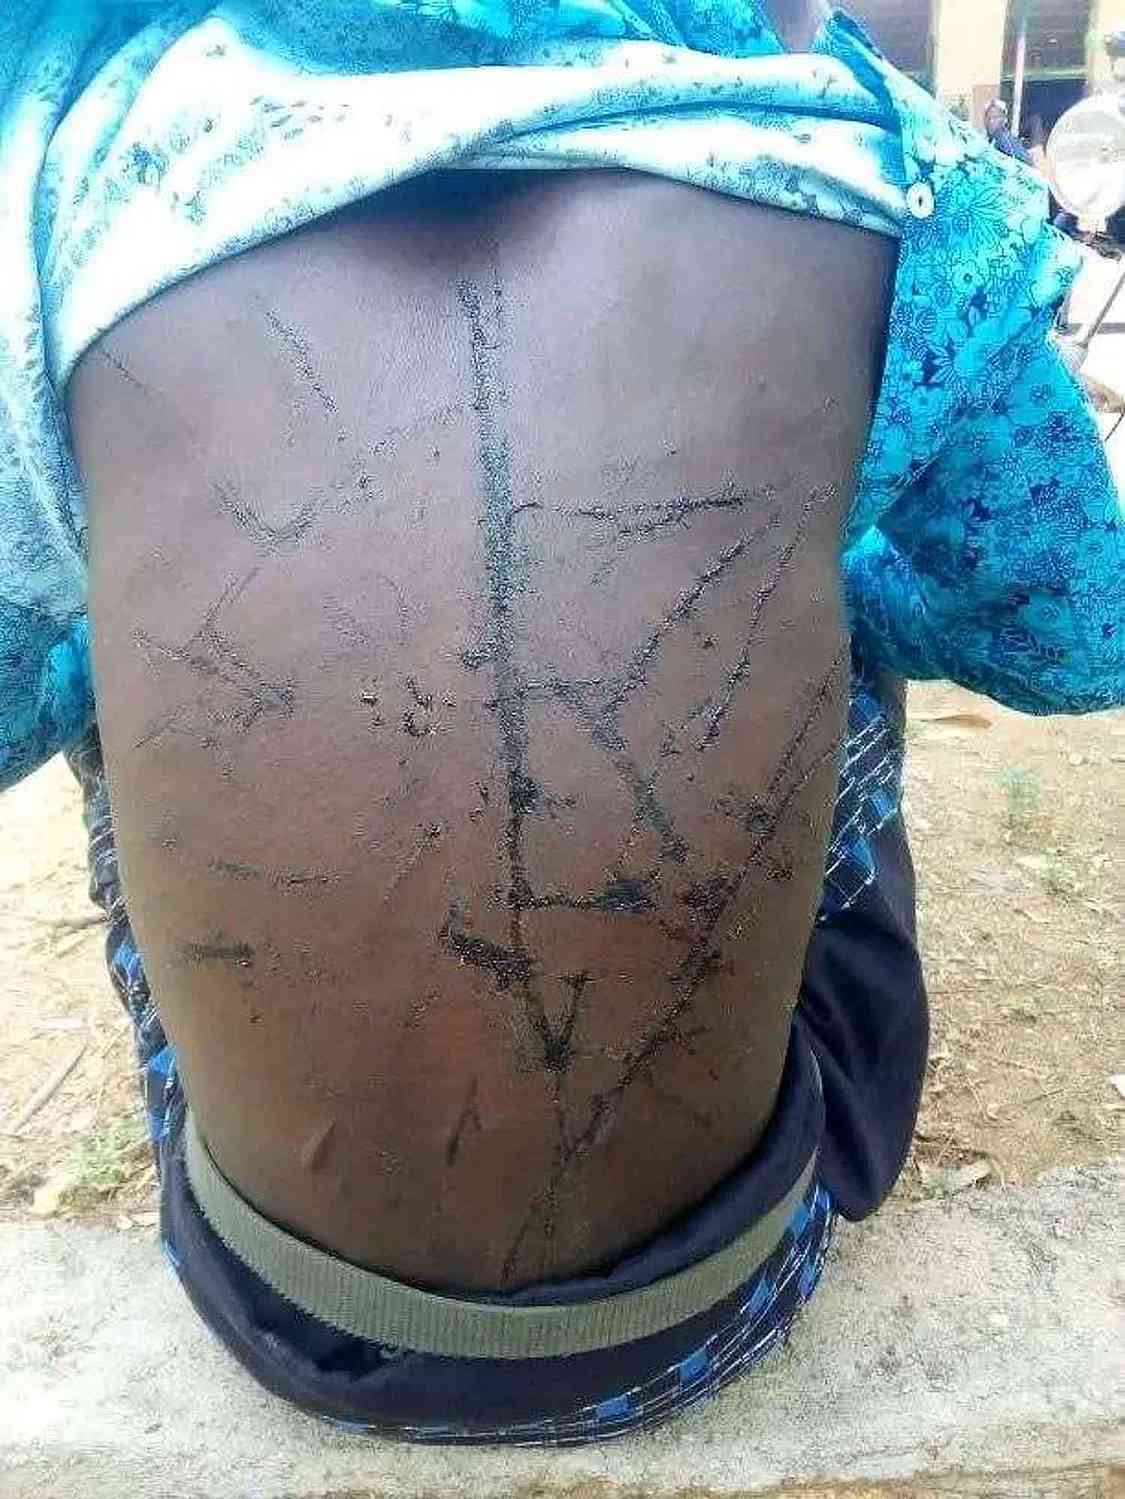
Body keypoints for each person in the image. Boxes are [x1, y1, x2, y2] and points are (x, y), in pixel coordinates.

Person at [2, 0, 1122, 1444]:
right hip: (709, 1305)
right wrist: (797, 573)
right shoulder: (878, 176)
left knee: (107, 638)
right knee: (819, 588)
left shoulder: (72, 183)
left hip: (275, 1303)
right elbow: (1075, 635)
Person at [984, 97, 1036, 165]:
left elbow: (1015, 162)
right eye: (988, 117)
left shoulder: (1004, 139)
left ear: (1004, 119)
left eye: (995, 117)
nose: (991, 121)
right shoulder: (991, 140)